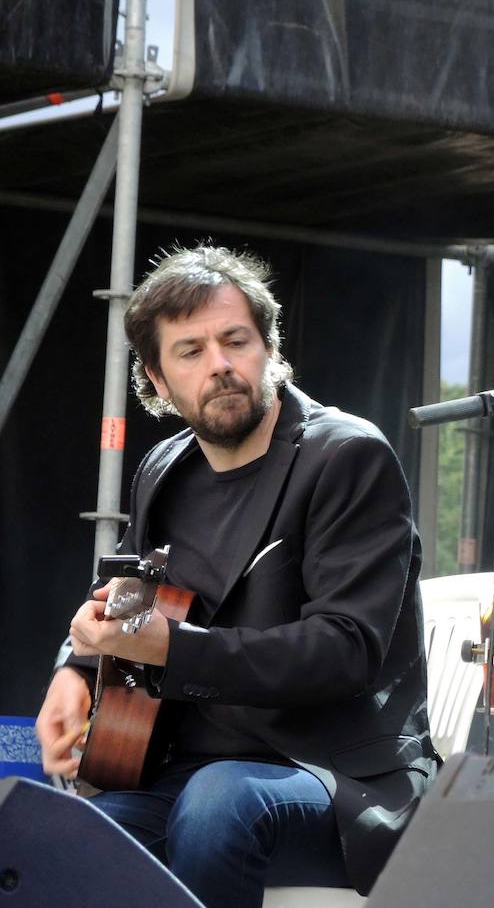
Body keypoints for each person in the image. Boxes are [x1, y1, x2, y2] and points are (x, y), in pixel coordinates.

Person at [34, 246, 440, 906]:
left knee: (219, 802)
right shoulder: (164, 469)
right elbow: (124, 598)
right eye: (190, 351)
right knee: (54, 843)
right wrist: (74, 669)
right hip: (183, 772)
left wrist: (172, 646)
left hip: (333, 777)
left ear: (270, 349)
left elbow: (346, 649)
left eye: (235, 340)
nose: (219, 364)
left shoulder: (348, 456)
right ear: (157, 382)